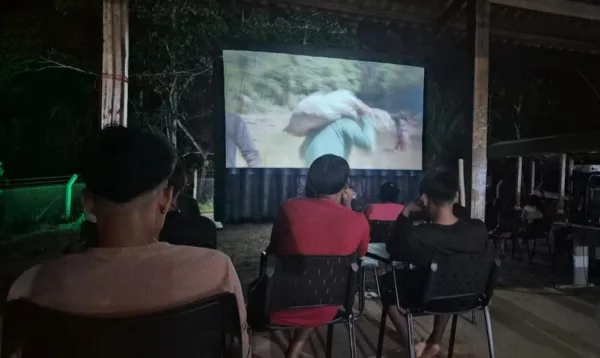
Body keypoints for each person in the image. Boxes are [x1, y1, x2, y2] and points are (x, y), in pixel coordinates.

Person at [8, 125, 249, 357]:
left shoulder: (30, 287)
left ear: (88, 204)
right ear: (166, 198)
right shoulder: (217, 271)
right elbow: (240, 351)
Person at [260, 154, 370, 358]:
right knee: (318, 284)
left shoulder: (289, 208)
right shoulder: (359, 220)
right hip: (328, 305)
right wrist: (349, 208)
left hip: (279, 304)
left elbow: (273, 249)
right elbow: (359, 255)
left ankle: (289, 350)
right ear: (346, 185)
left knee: (304, 282)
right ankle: (294, 350)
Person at [385, 168, 489, 358]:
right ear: (455, 196)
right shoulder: (478, 229)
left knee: (386, 283)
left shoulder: (419, 235)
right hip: (470, 296)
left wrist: (406, 212)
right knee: (450, 278)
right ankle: (435, 341)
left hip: (431, 299)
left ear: (424, 199)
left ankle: (411, 345)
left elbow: (392, 247)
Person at [299, 115, 376, 167]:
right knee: (367, 167)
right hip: (331, 176)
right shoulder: (346, 123)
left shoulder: (315, 128)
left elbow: (302, 154)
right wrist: (368, 121)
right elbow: (368, 145)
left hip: (311, 176)